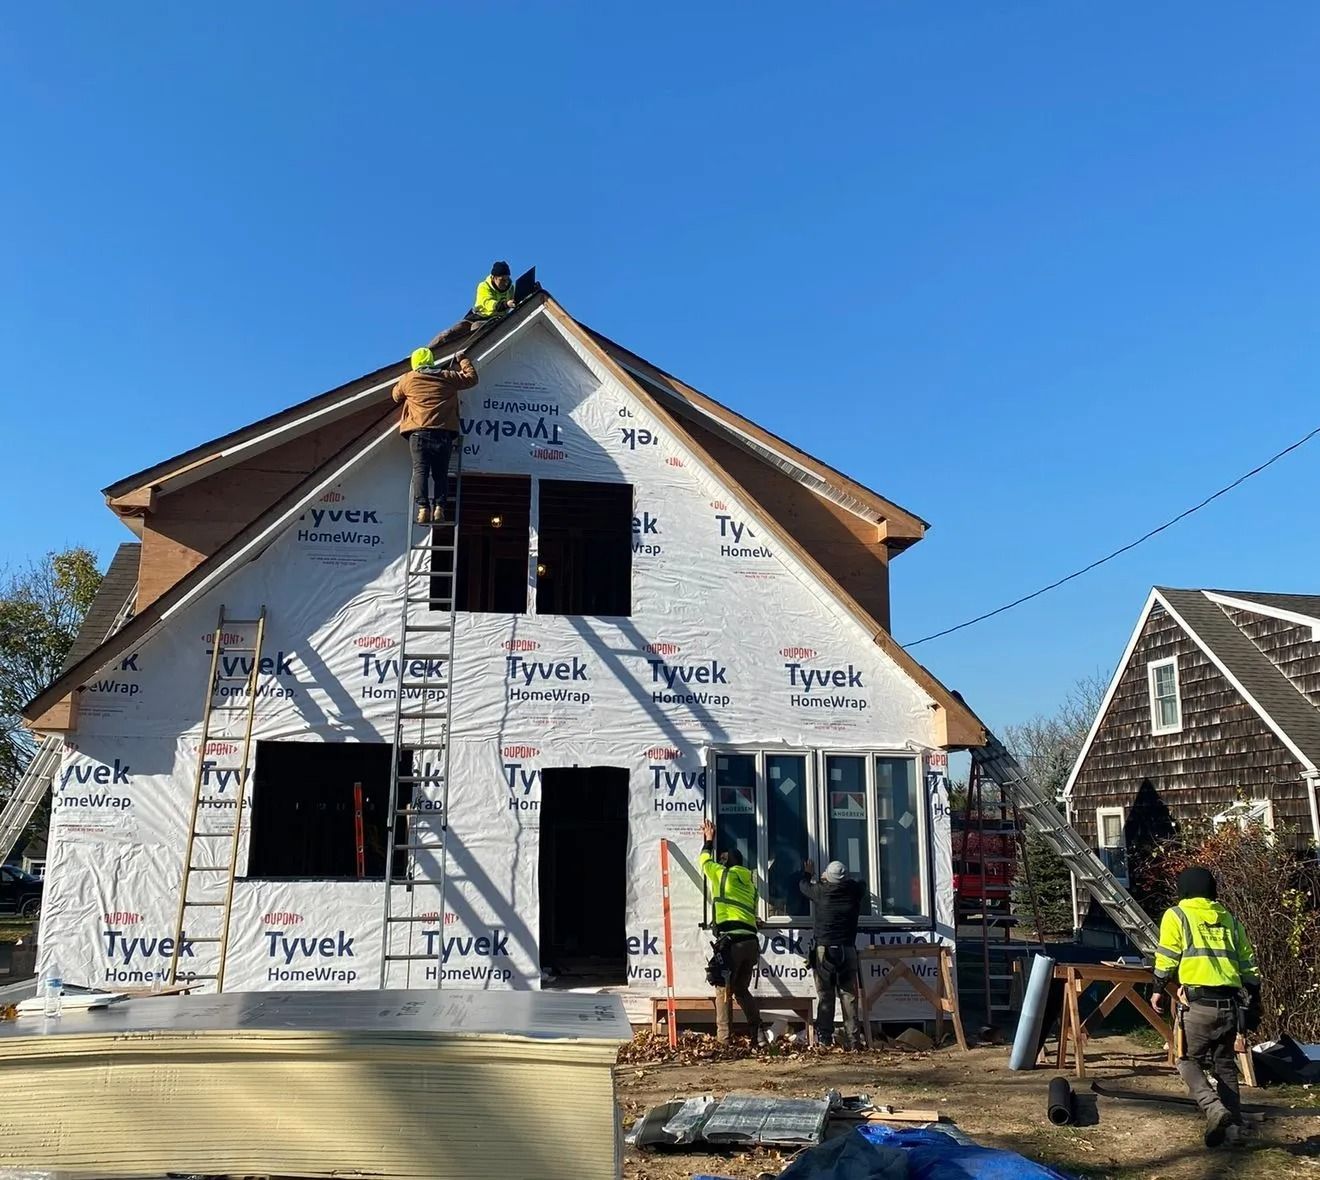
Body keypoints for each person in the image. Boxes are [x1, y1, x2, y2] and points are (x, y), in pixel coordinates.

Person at [1150, 865, 1261, 1148]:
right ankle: (1234, 1130)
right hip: (1230, 1006)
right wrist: (1254, 1000)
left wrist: (1157, 989)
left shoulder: (1177, 915)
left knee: (1186, 1060)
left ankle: (1213, 1108)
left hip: (1197, 1005)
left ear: (1183, 890)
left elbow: (1167, 956)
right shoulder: (1230, 920)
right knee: (1225, 1065)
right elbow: (1248, 964)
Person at [392, 347, 478, 524]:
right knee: (441, 473)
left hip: (418, 432)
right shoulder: (448, 376)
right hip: (443, 432)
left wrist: (405, 380)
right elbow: (471, 379)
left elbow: (395, 396)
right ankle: (439, 508)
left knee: (420, 470)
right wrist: (462, 359)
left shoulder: (409, 379)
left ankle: (423, 508)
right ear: (432, 360)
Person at [698, 819, 763, 1044]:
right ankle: (759, 1033)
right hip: (751, 943)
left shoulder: (722, 875)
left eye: (723, 859)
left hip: (732, 943)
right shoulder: (750, 885)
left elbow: (704, 861)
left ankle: (724, 1039)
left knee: (722, 989)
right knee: (741, 989)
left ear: (726, 863)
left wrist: (708, 840)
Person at [800, 858, 865, 1049]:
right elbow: (862, 883)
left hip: (824, 950)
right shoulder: (854, 891)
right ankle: (853, 1041)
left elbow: (803, 886)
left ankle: (825, 1039)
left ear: (828, 877)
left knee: (826, 996)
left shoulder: (820, 891)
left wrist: (810, 874)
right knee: (848, 996)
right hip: (848, 949)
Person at [428, 261, 518, 349]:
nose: (506, 283)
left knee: (476, 328)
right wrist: (506, 304)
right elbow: (488, 303)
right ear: (494, 277)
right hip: (477, 316)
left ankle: (472, 352)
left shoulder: (511, 288)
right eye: (502, 280)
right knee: (450, 333)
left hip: (495, 320)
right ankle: (425, 352)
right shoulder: (484, 286)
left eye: (507, 279)